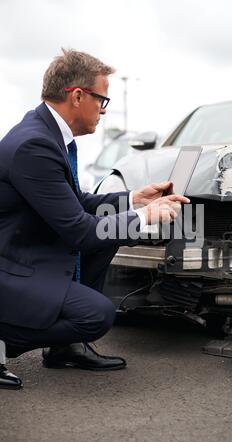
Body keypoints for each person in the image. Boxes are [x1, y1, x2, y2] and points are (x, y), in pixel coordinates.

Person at [0, 49, 189, 379]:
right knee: (97, 316)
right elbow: (80, 231)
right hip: (13, 266)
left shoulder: (46, 134)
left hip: (26, 253)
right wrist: (148, 217)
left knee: (105, 237)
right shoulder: (34, 145)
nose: (103, 111)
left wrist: (134, 200)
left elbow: (76, 203)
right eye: (102, 100)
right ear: (77, 96)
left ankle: (65, 348)